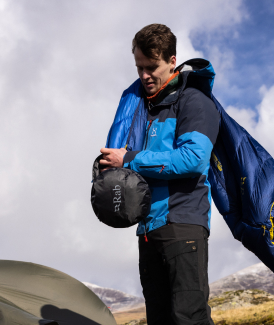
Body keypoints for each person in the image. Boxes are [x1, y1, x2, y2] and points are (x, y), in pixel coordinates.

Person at [99, 24, 220, 325]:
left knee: (189, 319)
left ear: (172, 61)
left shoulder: (194, 102)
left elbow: (193, 159)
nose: (144, 76)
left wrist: (128, 158)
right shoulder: (143, 108)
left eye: (151, 67)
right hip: (148, 230)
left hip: (183, 226)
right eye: (139, 67)